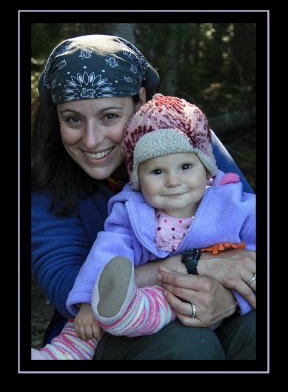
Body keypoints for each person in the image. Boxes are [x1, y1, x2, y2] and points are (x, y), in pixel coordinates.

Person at [31, 34, 256, 361]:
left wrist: (231, 299)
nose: (92, 140)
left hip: (212, 307)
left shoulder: (182, 133)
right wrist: (195, 264)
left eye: (109, 116)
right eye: (73, 119)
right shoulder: (41, 179)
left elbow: (248, 223)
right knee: (188, 346)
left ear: (140, 99)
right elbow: (70, 286)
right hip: (100, 329)